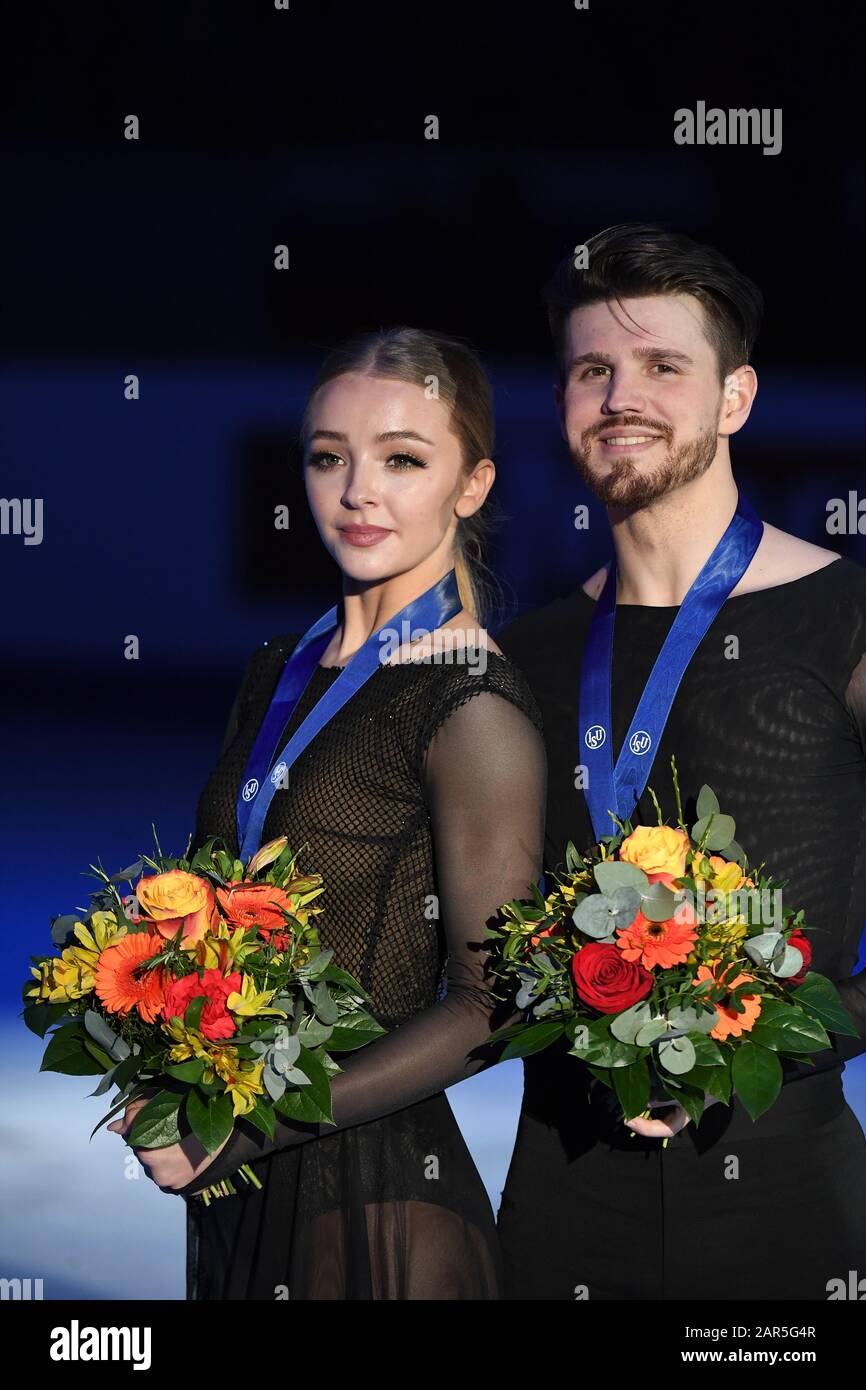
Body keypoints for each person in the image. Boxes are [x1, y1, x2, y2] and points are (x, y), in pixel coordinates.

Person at [109, 326, 546, 1300]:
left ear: (470, 484)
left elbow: (492, 1007)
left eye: (401, 458)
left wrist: (248, 1119)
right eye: (327, 456)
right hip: (244, 1183)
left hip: (373, 1197)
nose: (356, 490)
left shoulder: (467, 703)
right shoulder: (280, 667)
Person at [494, 223, 866, 1301]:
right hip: (559, 1213)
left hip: (786, 1209)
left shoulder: (843, 618)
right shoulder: (528, 655)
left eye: (663, 365)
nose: (622, 395)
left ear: (733, 399)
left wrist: (768, 1050)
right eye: (591, 370)